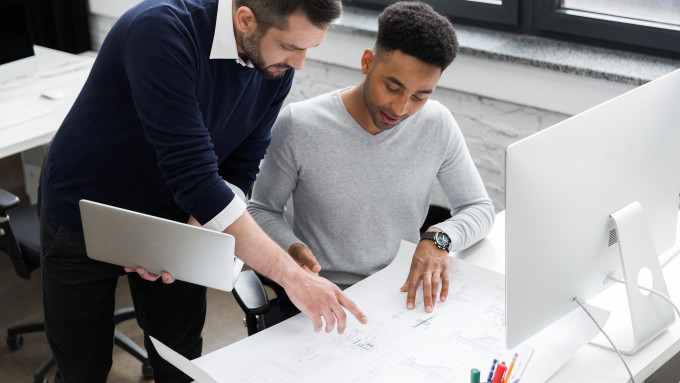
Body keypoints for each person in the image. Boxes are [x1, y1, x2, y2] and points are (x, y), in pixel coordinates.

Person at [39, 0, 367, 382]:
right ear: (246, 20)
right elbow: (194, 176)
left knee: (180, 360)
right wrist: (296, 279)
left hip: (177, 216)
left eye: (308, 48)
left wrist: (189, 238)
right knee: (82, 369)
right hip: (84, 209)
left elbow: (241, 165)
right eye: (292, 47)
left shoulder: (274, 66)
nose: (299, 63)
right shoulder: (159, 29)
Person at [248, 1, 495, 324]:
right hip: (321, 293)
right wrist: (291, 247)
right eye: (393, 87)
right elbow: (261, 209)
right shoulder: (299, 125)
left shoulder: (437, 124)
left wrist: (438, 239)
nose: (402, 107)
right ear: (367, 62)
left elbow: (479, 207)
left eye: (420, 96)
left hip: (400, 291)